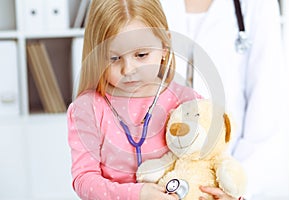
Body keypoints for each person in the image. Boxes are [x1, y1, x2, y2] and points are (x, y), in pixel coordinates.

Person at [67, 0, 242, 199]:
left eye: (141, 55)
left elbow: (215, 164)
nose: (129, 70)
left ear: (164, 47)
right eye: (114, 58)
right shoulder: (87, 109)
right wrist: (137, 194)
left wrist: (229, 196)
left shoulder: (188, 102)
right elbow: (84, 179)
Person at [159, 0, 284, 197]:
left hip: (225, 176)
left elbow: (265, 109)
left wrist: (235, 188)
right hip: (154, 178)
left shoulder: (258, 5)